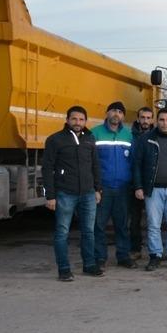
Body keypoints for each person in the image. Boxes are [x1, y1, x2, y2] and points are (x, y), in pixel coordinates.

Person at [42, 106, 102, 281]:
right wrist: (50, 196)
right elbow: (47, 169)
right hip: (65, 193)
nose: (78, 122)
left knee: (88, 231)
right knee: (62, 232)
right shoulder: (55, 140)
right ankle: (64, 269)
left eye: (81, 119)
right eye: (74, 119)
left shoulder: (89, 139)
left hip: (88, 193)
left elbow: (95, 166)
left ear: (85, 121)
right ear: (67, 120)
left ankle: (89, 265)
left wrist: (97, 189)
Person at [133, 108, 167, 271]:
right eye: (162, 120)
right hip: (153, 190)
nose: (165, 123)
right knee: (153, 225)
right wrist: (138, 186)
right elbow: (137, 165)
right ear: (156, 121)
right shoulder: (145, 139)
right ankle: (155, 256)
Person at [90, 101, 136, 270]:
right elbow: (89, 162)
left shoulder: (129, 135)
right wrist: (95, 187)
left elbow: (133, 161)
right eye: (113, 111)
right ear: (107, 113)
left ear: (123, 116)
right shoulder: (95, 133)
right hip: (103, 188)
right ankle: (100, 258)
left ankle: (123, 256)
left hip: (123, 189)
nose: (116, 114)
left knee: (122, 225)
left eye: (120, 112)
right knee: (99, 225)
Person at [129, 106, 154, 259]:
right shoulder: (130, 135)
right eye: (142, 117)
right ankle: (135, 249)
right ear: (138, 119)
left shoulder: (156, 135)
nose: (145, 120)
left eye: (148, 118)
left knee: (155, 220)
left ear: (152, 119)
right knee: (135, 219)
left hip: (152, 182)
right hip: (134, 183)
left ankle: (155, 250)